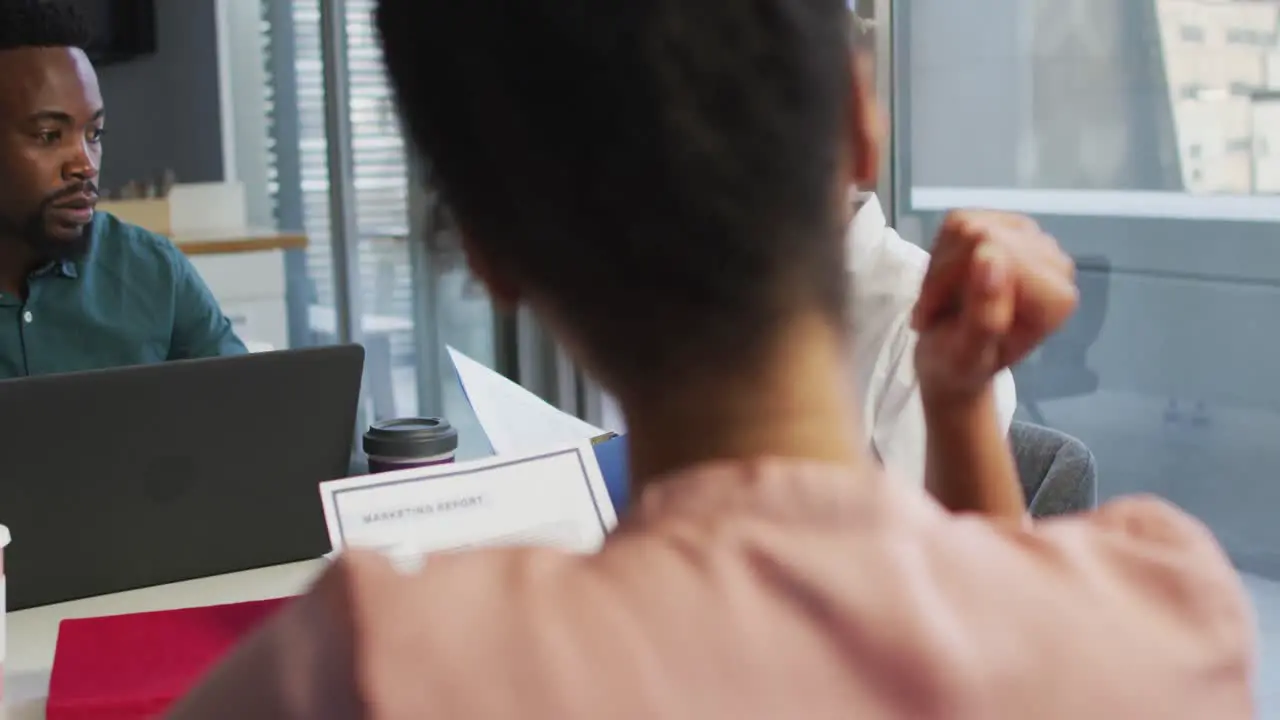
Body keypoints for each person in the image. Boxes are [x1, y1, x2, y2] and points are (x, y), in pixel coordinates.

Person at [168, 1, 1254, 718]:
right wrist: (959, 409)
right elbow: (993, 651)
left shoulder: (354, 675)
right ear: (859, 126)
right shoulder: (1164, 627)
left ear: (487, 254)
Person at [0, 1, 245, 380]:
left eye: (93, 134)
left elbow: (248, 409)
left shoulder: (152, 271)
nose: (85, 165)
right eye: (49, 136)